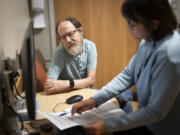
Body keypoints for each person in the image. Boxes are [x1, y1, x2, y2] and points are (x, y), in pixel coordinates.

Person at [71, 0, 180, 135]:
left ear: (154, 24)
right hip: (147, 121)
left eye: (132, 24)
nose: (128, 27)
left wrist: (107, 125)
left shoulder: (171, 55)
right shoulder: (147, 40)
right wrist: (95, 100)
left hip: (163, 129)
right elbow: (128, 75)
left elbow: (156, 111)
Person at [44, 17, 97, 94]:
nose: (68, 40)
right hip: (65, 95)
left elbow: (91, 80)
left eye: (70, 34)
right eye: (63, 37)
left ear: (80, 31)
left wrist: (66, 84)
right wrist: (82, 84)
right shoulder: (59, 52)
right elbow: (48, 88)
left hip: (85, 93)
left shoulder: (90, 47)